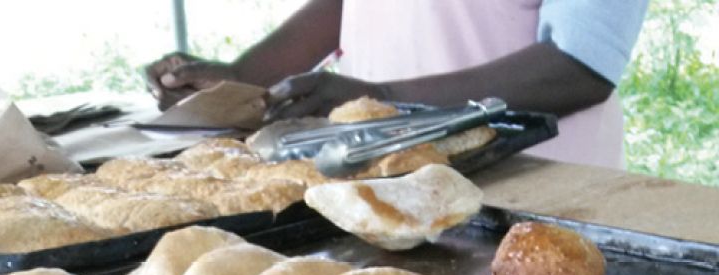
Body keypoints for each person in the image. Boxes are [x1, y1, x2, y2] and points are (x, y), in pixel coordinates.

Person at [145, 0, 649, 168]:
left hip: (533, 193)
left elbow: (580, 68)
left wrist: (383, 101)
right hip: (387, 173)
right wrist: (242, 79)